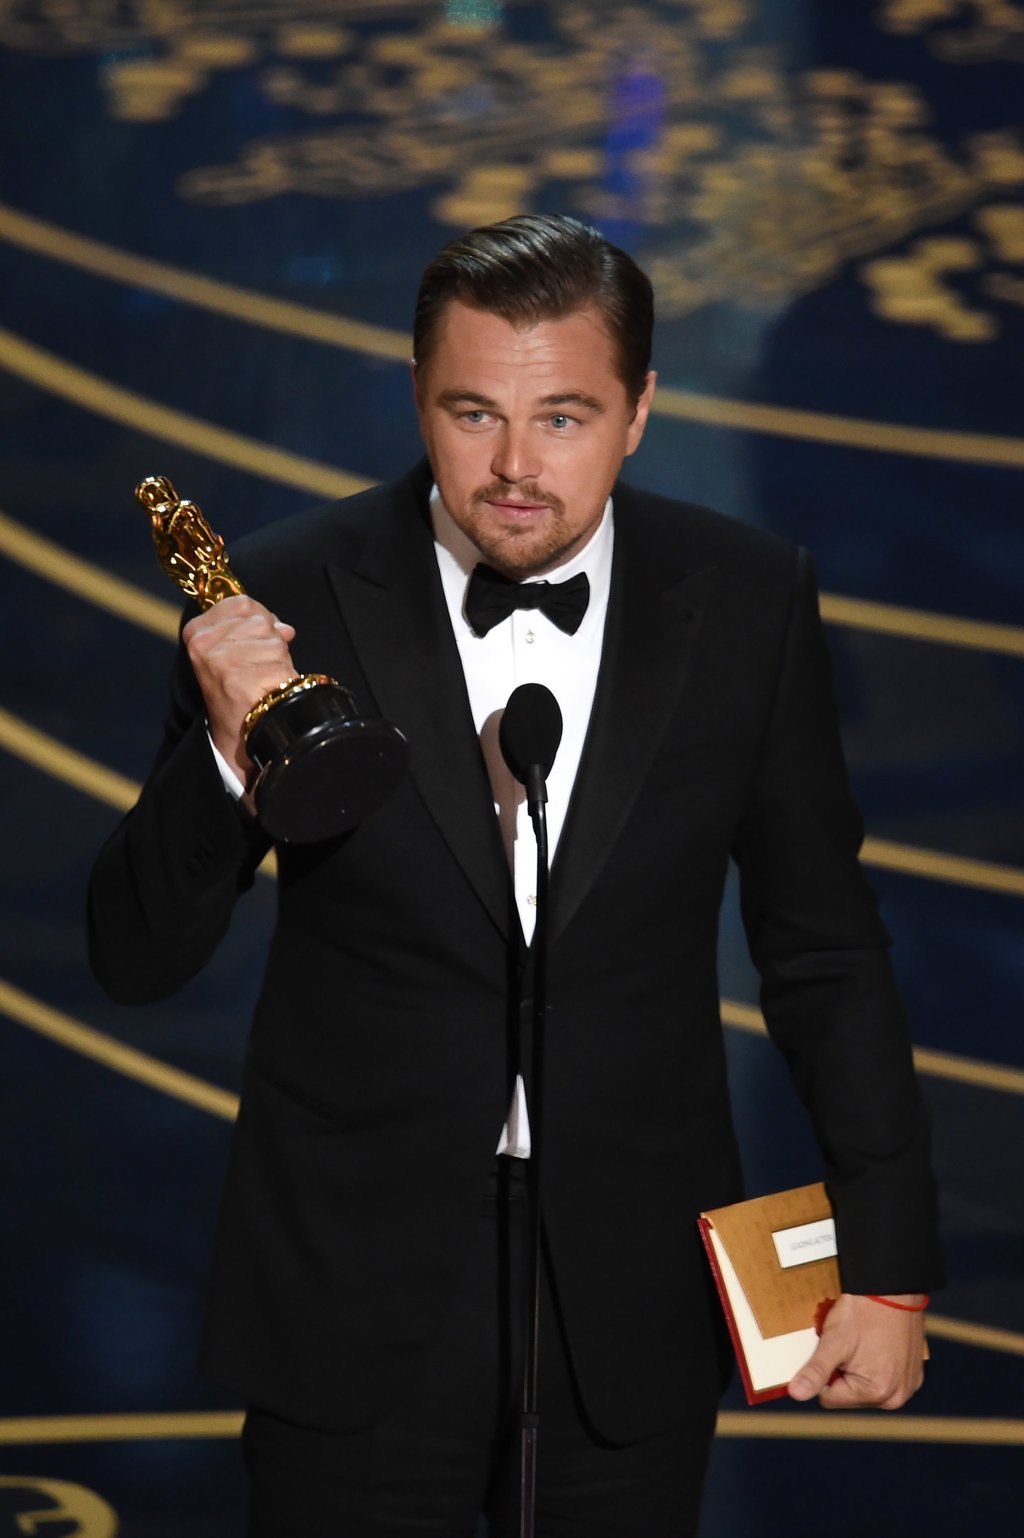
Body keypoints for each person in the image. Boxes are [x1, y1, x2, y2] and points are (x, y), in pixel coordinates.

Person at [88, 214, 944, 1536]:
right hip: (352, 1295)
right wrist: (225, 743)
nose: (514, 469)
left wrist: (887, 1274)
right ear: (418, 397)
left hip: (634, 1295)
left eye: (564, 417)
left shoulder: (749, 600)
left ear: (641, 409)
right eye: (473, 411)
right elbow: (134, 954)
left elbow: (824, 944)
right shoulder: (282, 591)